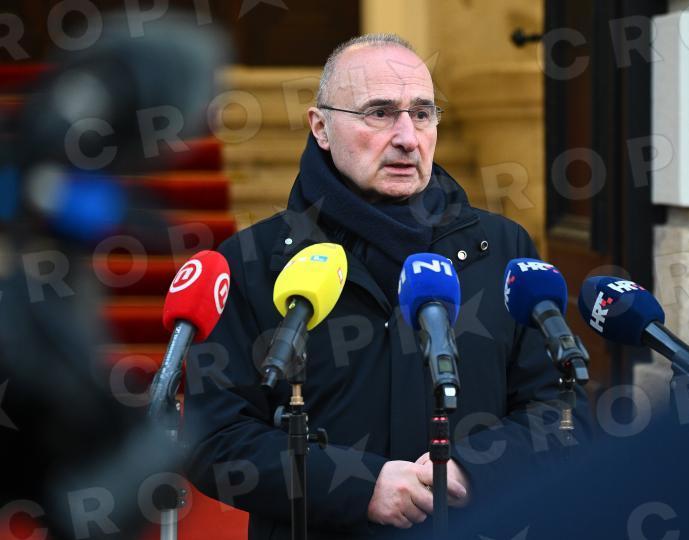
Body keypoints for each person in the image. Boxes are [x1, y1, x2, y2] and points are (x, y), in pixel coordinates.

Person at [183, 34, 590, 540]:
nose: (407, 137)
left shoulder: (503, 249)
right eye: (379, 113)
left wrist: (472, 470)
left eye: (422, 113)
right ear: (321, 127)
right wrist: (359, 489)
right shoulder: (250, 262)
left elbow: (563, 412)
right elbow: (215, 439)